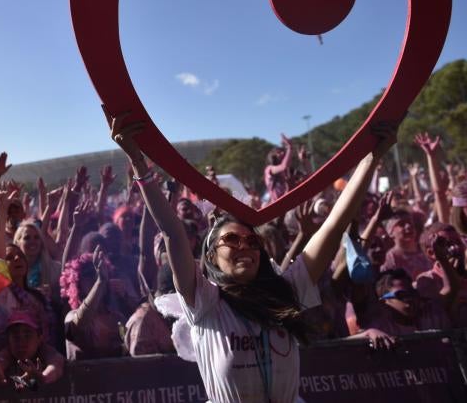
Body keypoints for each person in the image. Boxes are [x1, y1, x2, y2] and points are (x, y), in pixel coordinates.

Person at [106, 108, 398, 402]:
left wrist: (370, 159)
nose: (244, 246)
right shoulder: (204, 302)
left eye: (251, 241)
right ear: (211, 254)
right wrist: (138, 161)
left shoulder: (287, 291)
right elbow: (172, 230)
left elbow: (334, 224)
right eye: (231, 240)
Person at [0, 310, 65, 391]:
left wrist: (43, 377)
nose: (21, 342)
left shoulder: (45, 350)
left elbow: (56, 363)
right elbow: (0, 362)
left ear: (39, 338)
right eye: (15, 336)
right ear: (8, 339)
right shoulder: (8, 352)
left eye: (27, 335)